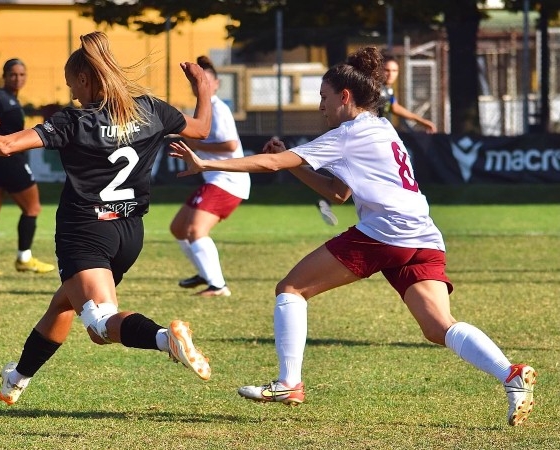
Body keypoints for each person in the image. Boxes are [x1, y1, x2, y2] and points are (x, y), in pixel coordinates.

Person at [169, 46, 536, 426]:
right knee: (438, 327)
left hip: (386, 231)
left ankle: (289, 382)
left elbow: (274, 163)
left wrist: (205, 162)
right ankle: (509, 374)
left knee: (291, 289)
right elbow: (338, 193)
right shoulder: (382, 127)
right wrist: (295, 163)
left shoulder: (349, 132)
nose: (320, 107)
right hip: (422, 234)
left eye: (324, 98)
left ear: (345, 97)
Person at [0, 31, 214, 405]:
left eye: (72, 85)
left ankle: (166, 338)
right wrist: (203, 89)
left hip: (85, 232)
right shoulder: (150, 109)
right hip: (129, 233)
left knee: (100, 326)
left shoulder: (74, 121)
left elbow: (5, 145)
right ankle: (17, 378)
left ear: (85, 79)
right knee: (64, 304)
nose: (72, 94)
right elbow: (201, 129)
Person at [170, 55, 250, 297]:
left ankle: (217, 286)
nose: (198, 86)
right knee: (178, 228)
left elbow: (230, 144)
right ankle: (206, 274)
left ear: (215, 84)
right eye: (195, 82)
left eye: (204, 81)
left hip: (228, 180)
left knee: (195, 230)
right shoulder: (203, 109)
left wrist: (197, 148)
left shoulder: (218, 108)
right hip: (215, 179)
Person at [0, 58, 54, 276]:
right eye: (13, 75)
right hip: (7, 160)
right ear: (4, 76)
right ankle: (24, 258)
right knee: (33, 208)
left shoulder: (10, 99)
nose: (17, 78)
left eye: (21, 74)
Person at [380, 54, 437, 133]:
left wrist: (422, 121)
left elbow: (395, 107)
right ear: (379, 70)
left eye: (394, 70)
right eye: (387, 70)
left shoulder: (388, 90)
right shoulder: (374, 88)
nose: (391, 74)